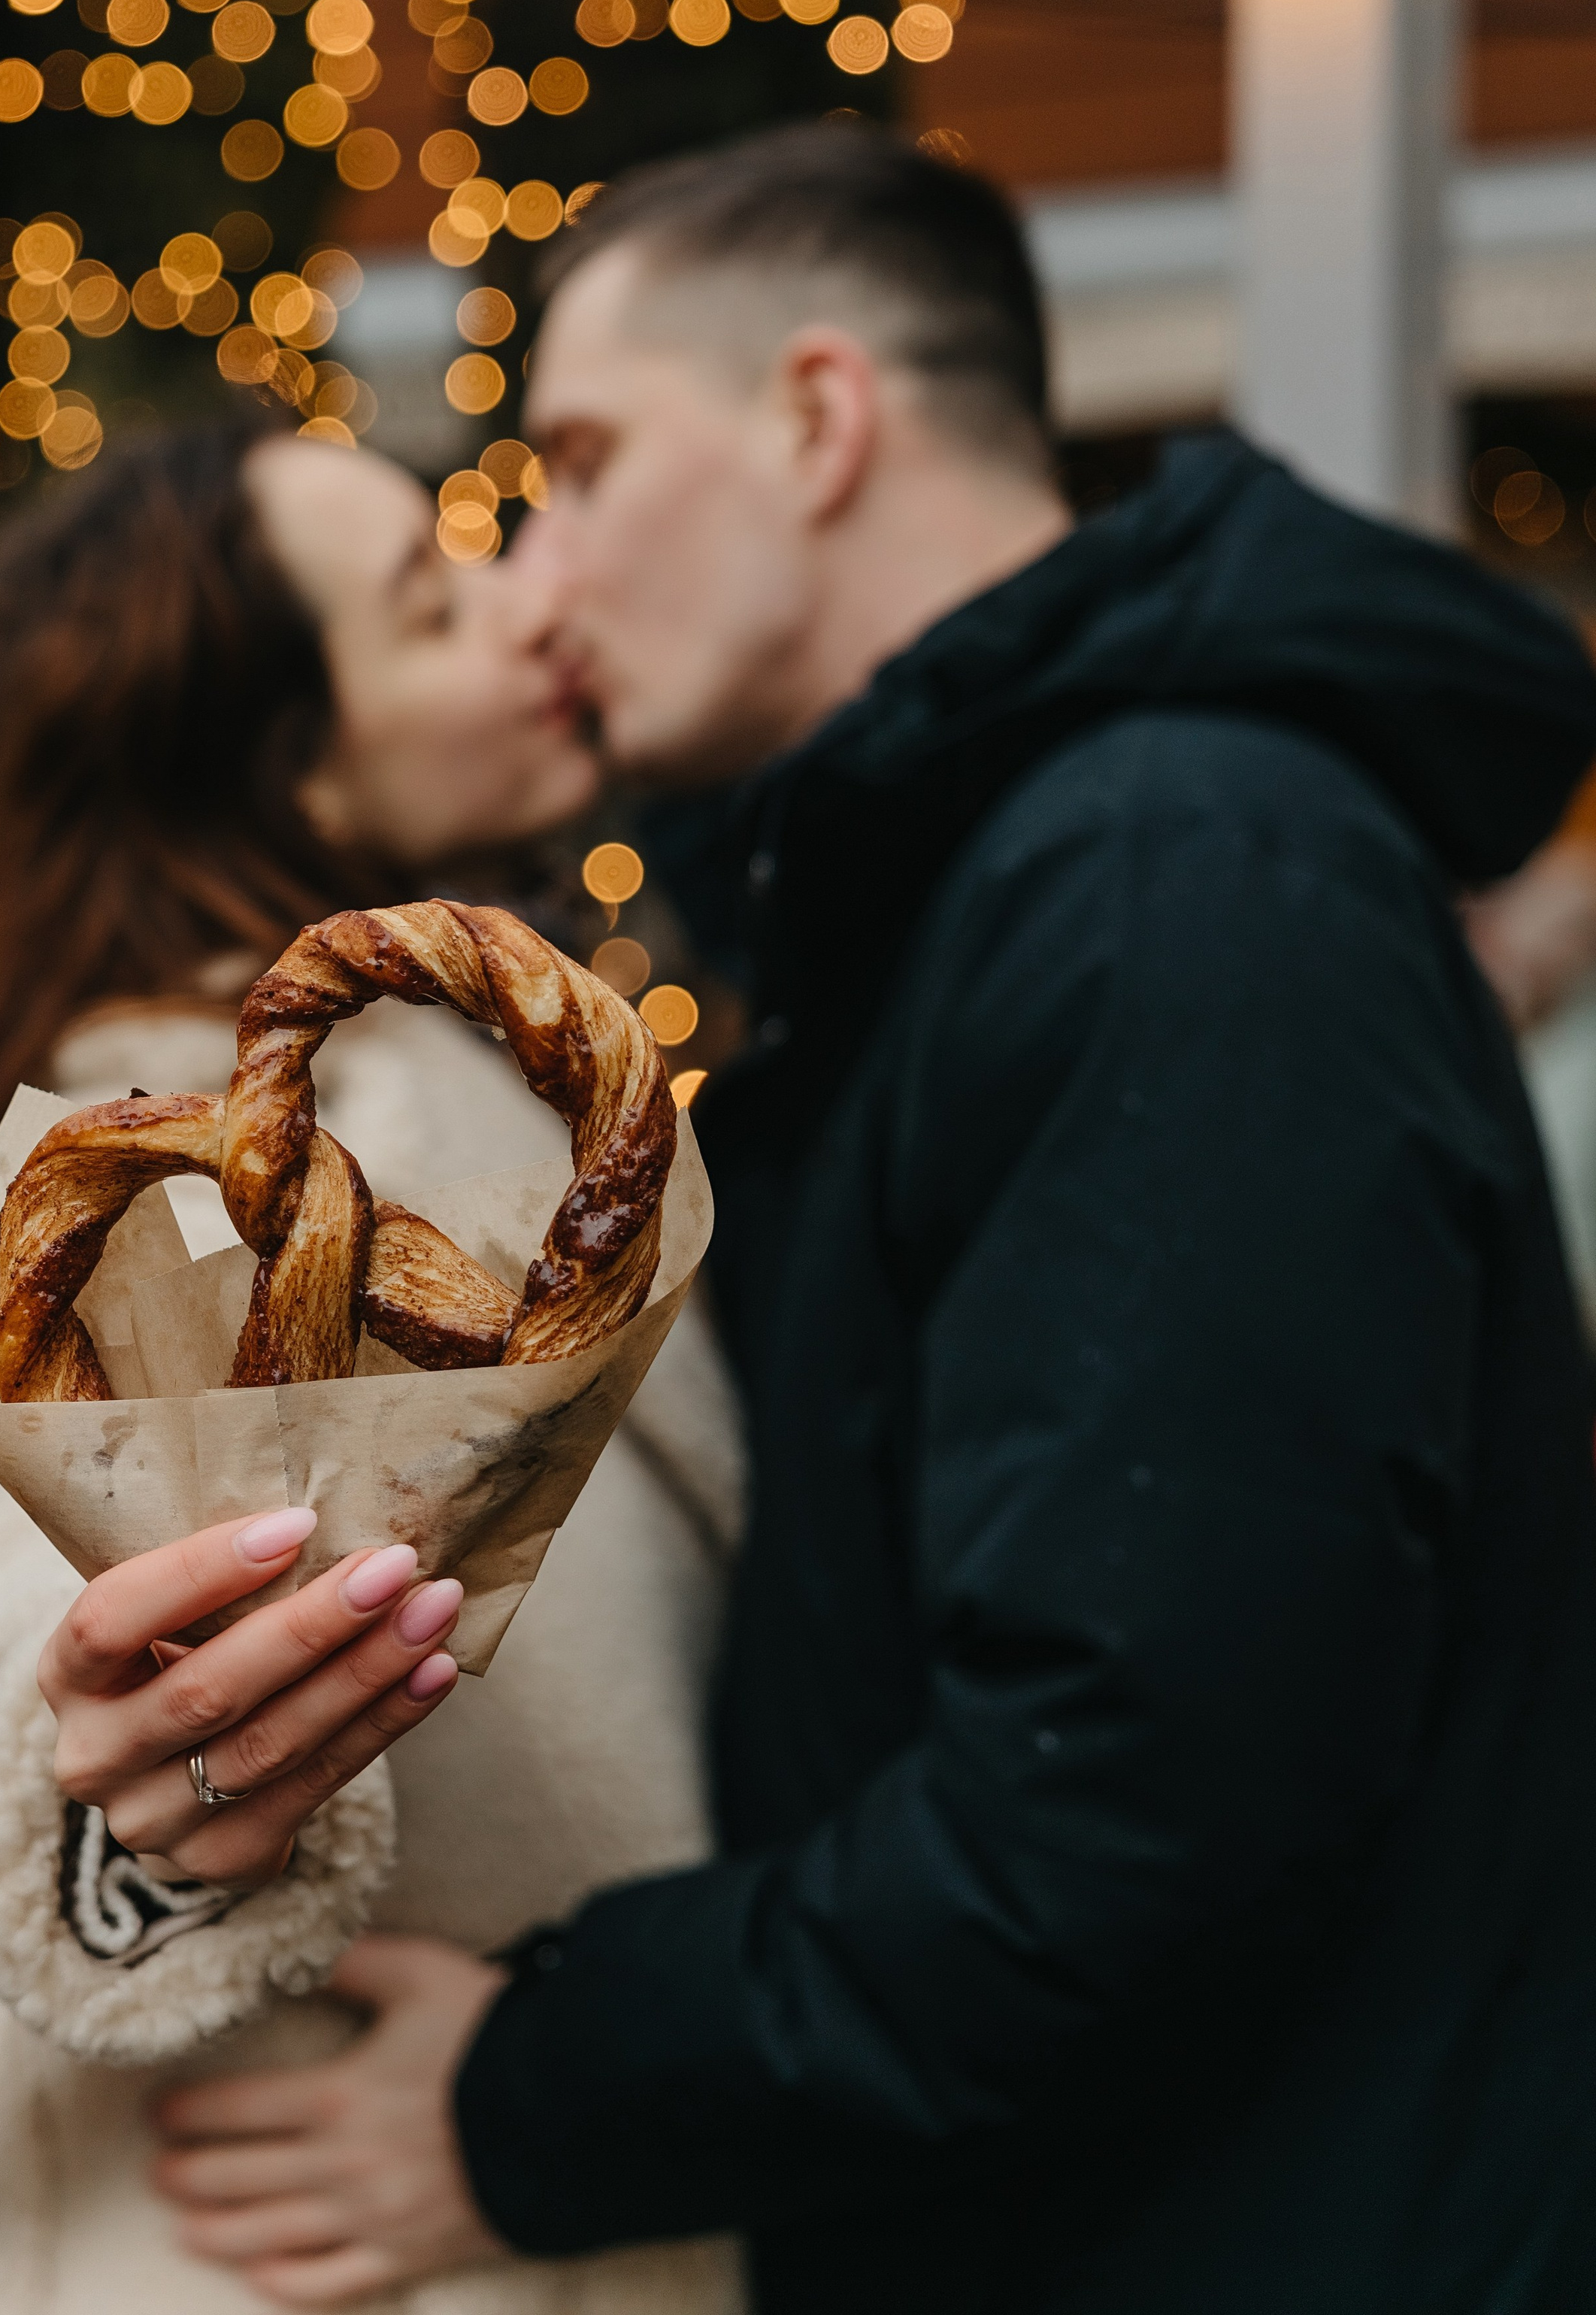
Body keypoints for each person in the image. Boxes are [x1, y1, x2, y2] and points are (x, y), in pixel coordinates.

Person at [159, 123, 1596, 2314]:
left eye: (581, 463)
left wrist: (536, 2096)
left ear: (818, 417)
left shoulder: (1167, 880)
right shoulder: (985, 893)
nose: (539, 579)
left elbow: (1131, 1811)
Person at [0, 423, 746, 2315]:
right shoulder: (268, 1154)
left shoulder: (479, 1093)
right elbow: (5, 1629)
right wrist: (93, 1789)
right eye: (430, 605)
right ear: (298, 759)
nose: (525, 606)